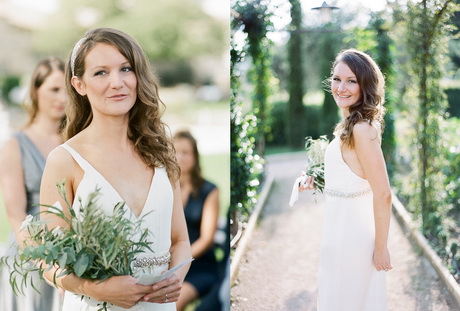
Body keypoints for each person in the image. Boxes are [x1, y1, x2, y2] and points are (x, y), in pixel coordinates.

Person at [39, 28, 192, 310]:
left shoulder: (162, 154)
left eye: (126, 69)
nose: (117, 82)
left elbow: (180, 239)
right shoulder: (65, 160)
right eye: (101, 73)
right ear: (79, 84)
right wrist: (97, 289)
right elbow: (48, 260)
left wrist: (177, 276)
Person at [300, 49, 392, 310]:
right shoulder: (350, 125)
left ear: (365, 85)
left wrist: (381, 248)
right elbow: (353, 174)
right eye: (337, 79)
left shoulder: (362, 129)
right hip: (337, 229)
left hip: (352, 237)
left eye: (351, 80)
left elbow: (383, 193)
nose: (341, 87)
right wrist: (315, 179)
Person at [0, 57, 66, 311]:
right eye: (54, 89)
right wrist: (48, 267)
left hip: (74, 252)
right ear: (35, 91)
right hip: (31, 256)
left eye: (67, 91)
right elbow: (16, 216)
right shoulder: (15, 145)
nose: (63, 98)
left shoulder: (76, 140)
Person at [173, 130, 220, 311]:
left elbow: (207, 239)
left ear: (195, 156)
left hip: (199, 266)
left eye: (186, 152)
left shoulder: (209, 191)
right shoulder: (163, 188)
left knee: (173, 303)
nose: (180, 157)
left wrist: (177, 263)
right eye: (175, 151)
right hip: (167, 267)